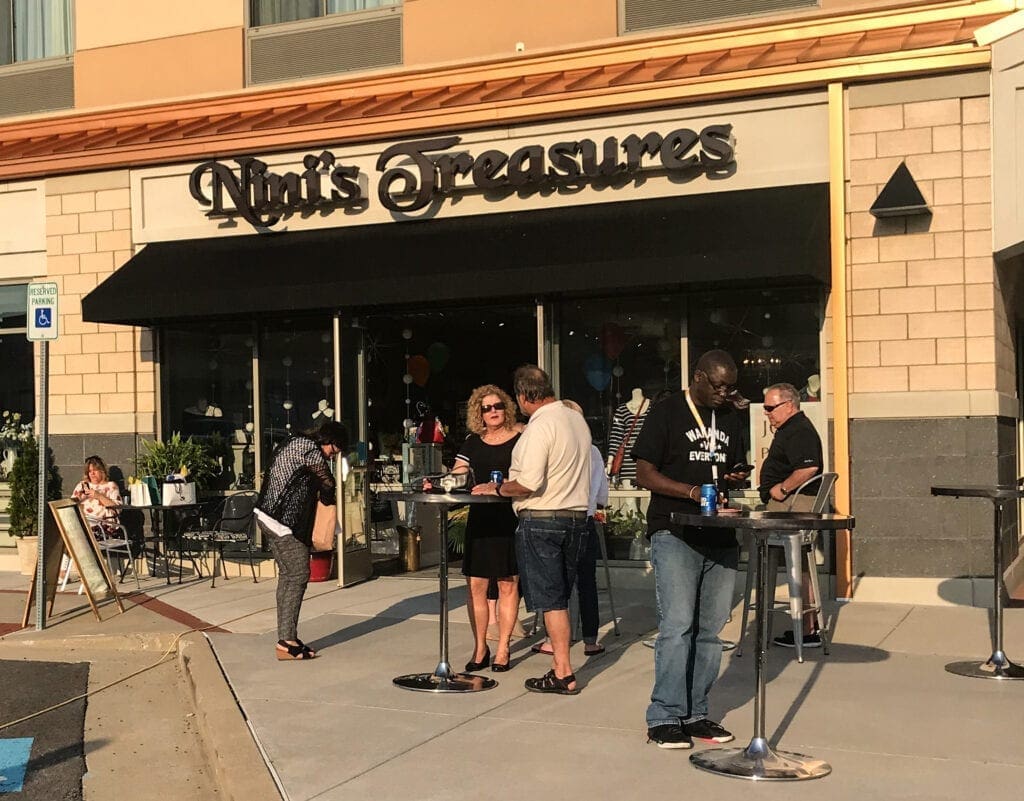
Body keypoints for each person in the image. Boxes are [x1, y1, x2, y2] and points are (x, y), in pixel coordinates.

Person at [633, 349, 749, 749]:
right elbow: (643, 472)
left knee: (710, 632)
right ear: (698, 377)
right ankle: (663, 716)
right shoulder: (666, 412)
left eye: (729, 386)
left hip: (719, 534)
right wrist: (691, 491)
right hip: (674, 531)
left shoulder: (731, 416)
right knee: (678, 627)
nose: (723, 393)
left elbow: (729, 466)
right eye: (717, 385)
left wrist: (734, 475)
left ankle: (696, 713)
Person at [473, 365, 591, 695]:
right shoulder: (575, 419)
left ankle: (563, 671)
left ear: (524, 397)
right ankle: (563, 667)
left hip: (543, 519)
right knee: (561, 598)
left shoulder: (541, 425)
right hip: (576, 518)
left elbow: (528, 482)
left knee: (551, 601)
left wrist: (496, 489)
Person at [255, 421, 347, 661]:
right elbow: (328, 483)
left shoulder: (295, 442)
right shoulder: (308, 448)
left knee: (289, 576)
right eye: (334, 450)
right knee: (298, 575)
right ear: (327, 440)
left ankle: (287, 638)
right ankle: (286, 641)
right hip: (280, 521)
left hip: (269, 517)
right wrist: (328, 497)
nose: (332, 456)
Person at [452, 384, 523, 673]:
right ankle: (480, 647)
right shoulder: (473, 442)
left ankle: (503, 647)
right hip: (480, 519)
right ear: (478, 413)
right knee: (476, 586)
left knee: (508, 584)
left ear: (506, 408)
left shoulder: (521, 439)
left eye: (498, 406)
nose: (493, 411)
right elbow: (457, 472)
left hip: (510, 518)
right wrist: (452, 478)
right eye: (486, 408)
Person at [533, 399, 609, 657]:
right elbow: (601, 496)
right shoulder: (594, 452)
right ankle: (591, 639)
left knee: (556, 582)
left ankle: (552, 639)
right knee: (587, 582)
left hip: (558, 518)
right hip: (585, 519)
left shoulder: (557, 446)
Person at [758, 381, 824, 648]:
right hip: (793, 506)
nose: (767, 413)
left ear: (789, 405)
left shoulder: (798, 430)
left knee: (795, 567)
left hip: (793, 506)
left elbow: (809, 468)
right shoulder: (792, 429)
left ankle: (805, 627)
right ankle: (806, 627)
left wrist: (781, 489)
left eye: (771, 407)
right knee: (800, 567)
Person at [71, 456, 123, 537]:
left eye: (95, 470)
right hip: (83, 523)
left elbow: (117, 509)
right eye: (89, 471)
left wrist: (99, 496)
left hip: (102, 525)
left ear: (102, 471)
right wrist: (80, 498)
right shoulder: (82, 485)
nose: (92, 473)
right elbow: (71, 504)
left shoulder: (111, 486)